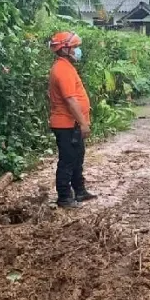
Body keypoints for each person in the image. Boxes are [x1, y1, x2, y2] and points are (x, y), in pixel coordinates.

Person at [48, 31, 97, 209]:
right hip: (66, 124)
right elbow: (70, 99)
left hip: (72, 124)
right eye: (75, 47)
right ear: (65, 49)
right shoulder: (62, 69)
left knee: (77, 158)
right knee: (68, 160)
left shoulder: (66, 66)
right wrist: (83, 123)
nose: (78, 50)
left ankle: (80, 190)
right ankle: (64, 198)